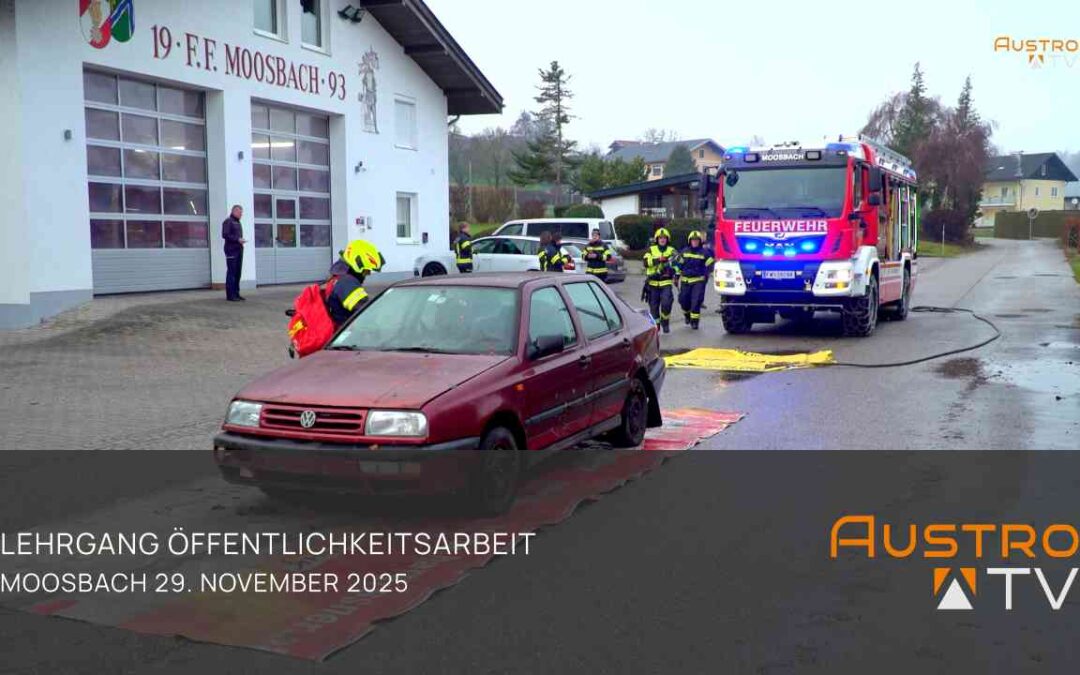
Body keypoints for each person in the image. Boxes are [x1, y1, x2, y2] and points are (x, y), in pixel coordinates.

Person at [326, 239, 385, 327]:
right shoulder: (346, 283)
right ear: (357, 265)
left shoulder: (338, 277)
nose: (368, 273)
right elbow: (366, 314)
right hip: (346, 333)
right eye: (367, 270)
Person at [675, 230, 715, 330]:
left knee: (696, 302)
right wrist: (676, 276)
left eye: (697, 240)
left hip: (698, 281)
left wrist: (707, 273)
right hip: (685, 281)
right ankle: (687, 315)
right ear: (690, 241)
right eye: (693, 240)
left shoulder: (704, 253)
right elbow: (679, 265)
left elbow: (711, 265)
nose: (695, 242)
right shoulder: (684, 252)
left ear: (700, 241)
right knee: (683, 301)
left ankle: (694, 322)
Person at [643, 227, 678, 333]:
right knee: (653, 307)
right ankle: (656, 325)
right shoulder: (651, 249)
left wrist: (673, 271)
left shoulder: (671, 250)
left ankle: (665, 322)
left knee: (667, 303)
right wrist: (658, 260)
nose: (662, 240)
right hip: (652, 283)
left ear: (667, 239)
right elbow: (645, 262)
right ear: (657, 239)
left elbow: (678, 263)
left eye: (664, 238)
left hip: (665, 282)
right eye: (660, 238)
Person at [221, 205, 246, 301]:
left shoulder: (238, 222)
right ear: (234, 211)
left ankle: (236, 293)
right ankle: (230, 295)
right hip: (231, 250)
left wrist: (240, 241)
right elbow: (225, 235)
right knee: (231, 272)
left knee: (238, 272)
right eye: (240, 213)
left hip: (239, 249)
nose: (241, 215)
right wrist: (237, 239)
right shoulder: (228, 221)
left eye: (241, 213)